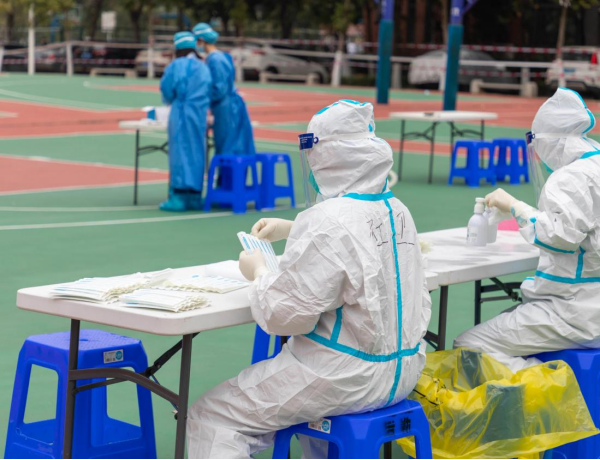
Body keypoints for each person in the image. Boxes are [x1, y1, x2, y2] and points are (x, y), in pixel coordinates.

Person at [186, 100, 432, 459]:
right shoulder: (398, 209)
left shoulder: (328, 220)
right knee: (308, 410)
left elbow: (285, 316)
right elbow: (359, 244)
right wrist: (296, 228)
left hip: (342, 376)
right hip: (404, 371)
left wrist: (259, 272)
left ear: (328, 156)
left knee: (213, 416)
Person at [454, 88, 600, 372]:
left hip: (576, 311)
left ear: (548, 139)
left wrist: (516, 207)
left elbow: (558, 237)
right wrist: (521, 212)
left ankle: (552, 388)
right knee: (508, 324)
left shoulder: (570, 177)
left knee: (469, 344)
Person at [159, 32, 211, 212]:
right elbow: (209, 90)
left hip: (181, 114)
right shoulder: (203, 67)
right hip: (199, 114)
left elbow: (166, 89)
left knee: (180, 153)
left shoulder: (176, 66)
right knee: (197, 151)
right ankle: (195, 196)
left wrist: (173, 99)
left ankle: (179, 197)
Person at [193, 22, 256, 157]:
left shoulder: (215, 60)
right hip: (227, 106)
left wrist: (202, 100)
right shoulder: (220, 57)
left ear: (202, 40)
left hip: (226, 108)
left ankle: (228, 172)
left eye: (197, 41)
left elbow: (219, 89)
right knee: (231, 146)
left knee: (228, 148)